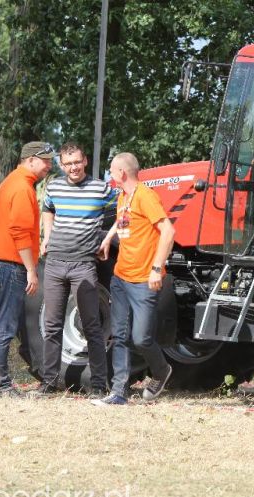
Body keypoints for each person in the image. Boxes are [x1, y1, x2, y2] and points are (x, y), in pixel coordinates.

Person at [0, 141, 54, 397]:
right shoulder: (22, 187)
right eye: (46, 160)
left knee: (6, 324)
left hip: (3, 262)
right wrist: (31, 270)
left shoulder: (12, 182)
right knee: (7, 327)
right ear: (30, 160)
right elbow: (20, 232)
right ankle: (1, 385)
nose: (49, 166)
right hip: (12, 264)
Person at [34, 142, 118, 397]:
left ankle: (99, 384)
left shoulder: (100, 188)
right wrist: (47, 236)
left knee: (91, 325)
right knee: (52, 325)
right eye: (68, 164)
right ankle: (49, 382)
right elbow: (48, 209)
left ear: (85, 161)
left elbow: (125, 211)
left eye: (77, 162)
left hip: (84, 265)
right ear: (61, 165)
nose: (73, 168)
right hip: (55, 263)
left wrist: (107, 239)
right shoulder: (54, 186)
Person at [91, 152, 175, 406]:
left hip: (143, 280)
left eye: (112, 171)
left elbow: (168, 231)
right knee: (119, 335)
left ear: (122, 173)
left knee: (141, 338)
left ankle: (161, 371)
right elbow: (122, 220)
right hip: (120, 278)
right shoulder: (123, 196)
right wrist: (108, 238)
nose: (110, 175)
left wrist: (156, 268)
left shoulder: (145, 196)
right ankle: (119, 392)